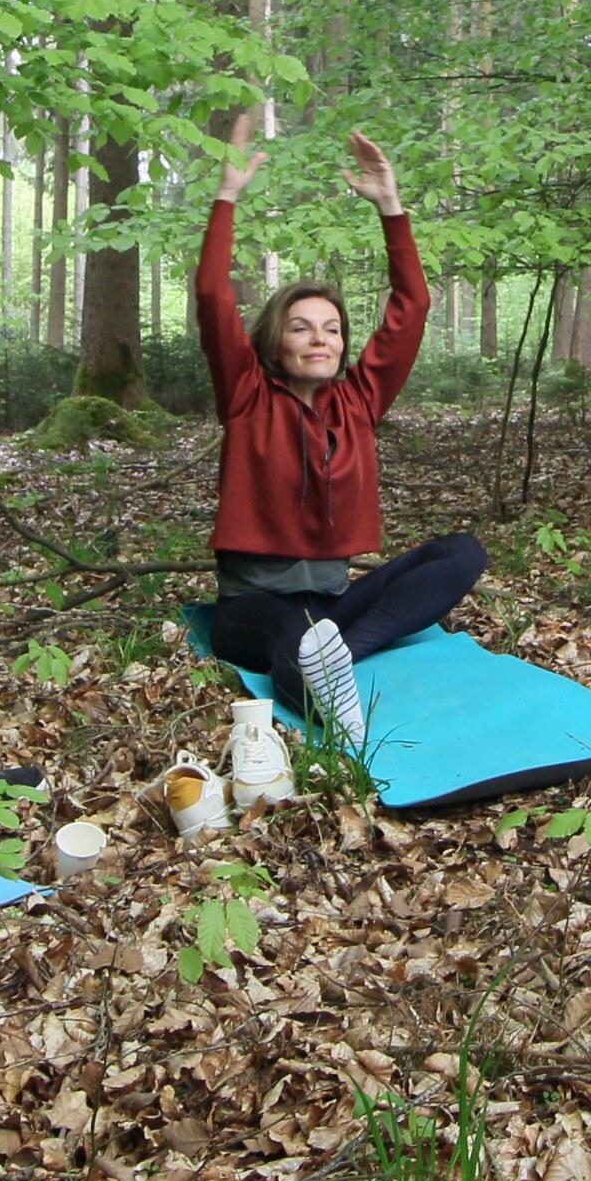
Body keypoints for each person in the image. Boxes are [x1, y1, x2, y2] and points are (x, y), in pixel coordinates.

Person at [194, 107, 484, 753]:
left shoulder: (358, 401)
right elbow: (213, 297)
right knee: (290, 644)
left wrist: (391, 208)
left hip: (331, 606)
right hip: (253, 611)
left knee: (462, 553)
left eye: (331, 328)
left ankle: (339, 655)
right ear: (276, 340)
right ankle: (321, 673)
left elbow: (412, 309)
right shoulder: (246, 394)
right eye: (301, 327)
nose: (319, 338)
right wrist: (227, 196)